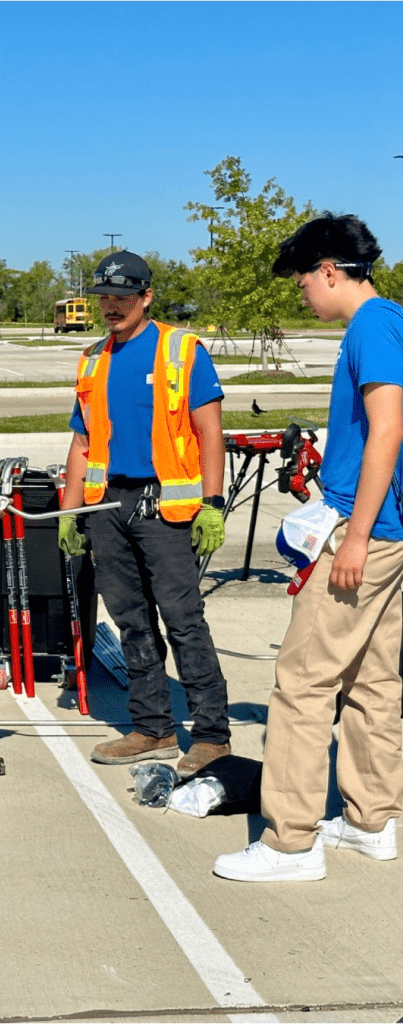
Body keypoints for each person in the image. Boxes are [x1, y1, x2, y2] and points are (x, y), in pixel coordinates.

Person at [215, 214, 403, 882]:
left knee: (300, 686)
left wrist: (352, 536)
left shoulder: (372, 325)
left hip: (363, 535)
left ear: (329, 269)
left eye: (302, 281)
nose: (300, 294)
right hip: (384, 532)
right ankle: (369, 822)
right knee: (371, 682)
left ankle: (289, 843)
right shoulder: (389, 320)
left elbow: (387, 430)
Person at [58, 251, 231, 778]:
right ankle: (152, 728)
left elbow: (210, 432)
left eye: (122, 297)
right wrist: (70, 512)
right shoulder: (92, 359)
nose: (111, 306)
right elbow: (82, 443)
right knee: (131, 622)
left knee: (183, 622)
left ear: (146, 297)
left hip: (167, 509)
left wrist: (213, 503)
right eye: (104, 297)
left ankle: (211, 736)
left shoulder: (181, 351)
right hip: (108, 506)